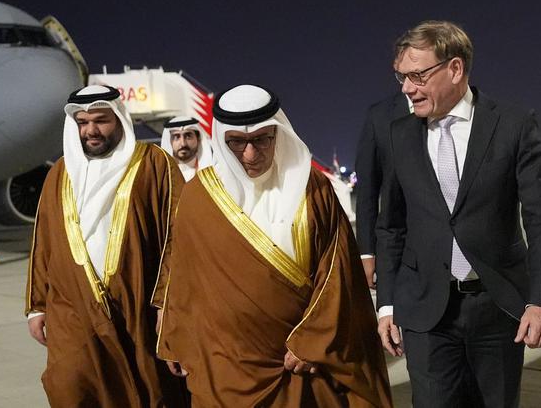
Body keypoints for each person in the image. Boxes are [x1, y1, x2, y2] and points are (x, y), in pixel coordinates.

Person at [155, 84, 392, 407]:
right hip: (226, 368)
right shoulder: (198, 197)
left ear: (278, 135)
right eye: (236, 143)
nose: (250, 155)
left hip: (305, 365)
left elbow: (339, 275)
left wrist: (313, 341)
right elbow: (183, 274)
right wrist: (175, 336)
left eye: (262, 140)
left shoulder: (314, 188)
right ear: (222, 141)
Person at [375, 20, 541, 407]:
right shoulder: (398, 134)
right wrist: (388, 305)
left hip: (497, 308)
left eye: (417, 76)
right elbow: (391, 226)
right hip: (425, 311)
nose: (407, 88)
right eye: (401, 78)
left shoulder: (513, 124)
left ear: (455, 69)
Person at [24, 85, 188, 407]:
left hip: (138, 307)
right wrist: (37, 305)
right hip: (72, 308)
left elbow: (178, 238)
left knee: (147, 391)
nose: (90, 131)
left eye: (100, 121)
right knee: (71, 386)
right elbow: (44, 242)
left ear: (120, 120)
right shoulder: (59, 173)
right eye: (82, 123)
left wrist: (168, 303)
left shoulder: (154, 164)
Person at [354, 92, 411, 289]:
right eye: (403, 76)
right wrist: (367, 253)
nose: (408, 86)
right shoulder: (380, 115)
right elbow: (367, 190)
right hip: (399, 245)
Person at [159, 116, 214, 181]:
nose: (183, 144)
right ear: (169, 141)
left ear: (198, 139)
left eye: (188, 136)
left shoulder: (214, 175)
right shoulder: (162, 178)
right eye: (177, 137)